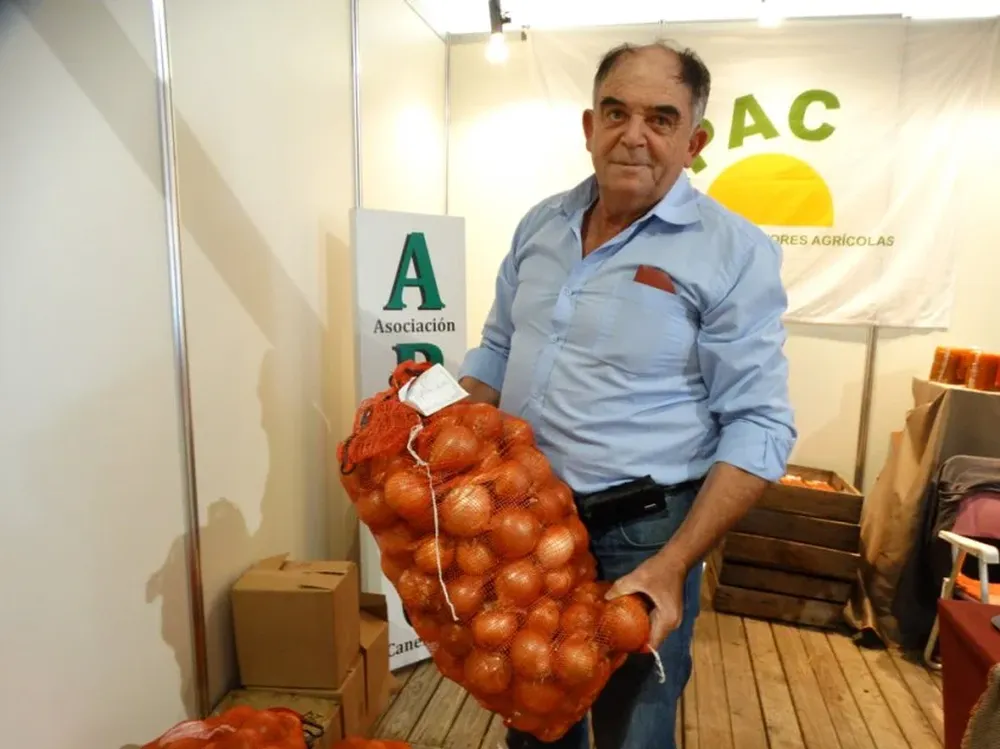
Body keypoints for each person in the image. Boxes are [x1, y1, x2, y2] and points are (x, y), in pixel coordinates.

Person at [457, 40, 797, 749]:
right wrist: (434, 439)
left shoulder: (732, 251)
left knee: (633, 730)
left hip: (643, 533)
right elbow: (496, 350)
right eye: (615, 113)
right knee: (533, 715)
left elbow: (760, 424)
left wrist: (673, 566)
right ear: (589, 126)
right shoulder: (541, 225)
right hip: (522, 522)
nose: (633, 135)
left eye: (661, 118)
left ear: (694, 141)